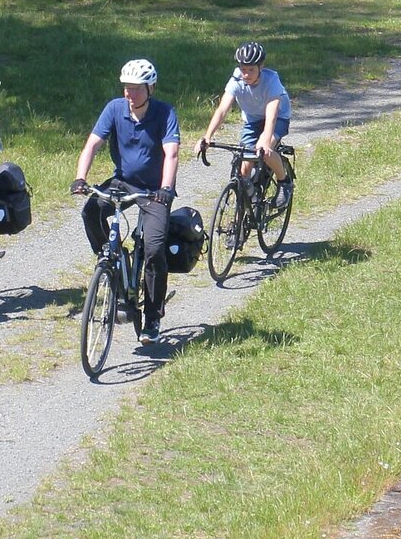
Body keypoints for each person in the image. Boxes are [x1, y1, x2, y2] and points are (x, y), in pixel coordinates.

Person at [72, 58, 180, 338]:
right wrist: (81, 178)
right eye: (126, 88)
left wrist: (166, 188)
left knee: (154, 250)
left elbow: (171, 153)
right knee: (91, 212)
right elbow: (93, 143)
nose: (129, 94)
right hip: (122, 183)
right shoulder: (114, 109)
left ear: (150, 88)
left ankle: (153, 317)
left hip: (154, 190)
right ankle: (113, 262)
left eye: (136, 88)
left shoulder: (165, 113)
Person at [197, 42, 293, 210]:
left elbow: (271, 116)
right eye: (243, 69)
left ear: (261, 67)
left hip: (277, 118)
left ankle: (284, 182)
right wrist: (207, 136)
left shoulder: (271, 80)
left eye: (251, 70)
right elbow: (221, 111)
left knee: (265, 151)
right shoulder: (236, 79)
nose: (246, 74)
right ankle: (251, 203)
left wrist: (266, 140)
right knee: (243, 170)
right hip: (253, 120)